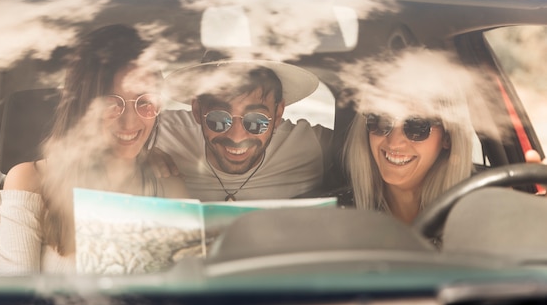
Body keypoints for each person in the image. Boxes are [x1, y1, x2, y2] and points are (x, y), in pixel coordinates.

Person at [0, 24, 188, 275]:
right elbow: (13, 302)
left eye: (145, 103)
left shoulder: (167, 183)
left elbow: (187, 292)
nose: (130, 122)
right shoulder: (31, 180)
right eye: (110, 103)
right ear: (82, 106)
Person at [155, 59, 334, 202]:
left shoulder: (313, 144)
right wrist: (141, 155)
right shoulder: (159, 135)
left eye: (256, 121)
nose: (237, 136)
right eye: (218, 119)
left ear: (278, 114)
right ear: (197, 111)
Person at [341, 49, 475, 225]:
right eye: (380, 120)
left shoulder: (474, 220)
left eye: (416, 126)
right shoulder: (340, 216)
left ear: (447, 137)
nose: (394, 142)